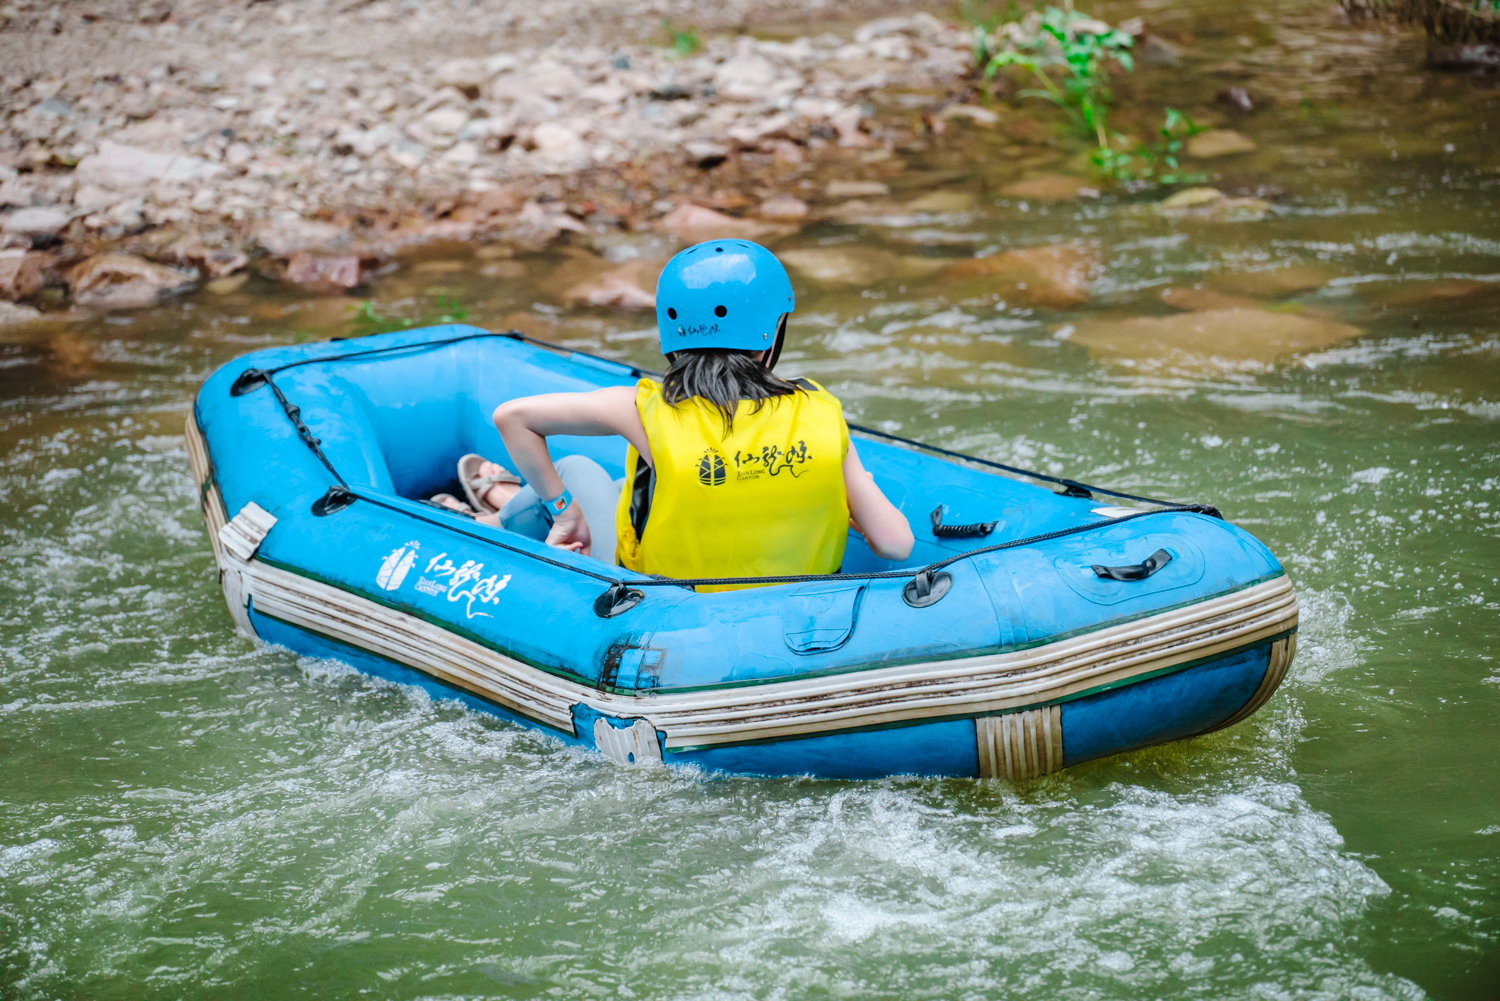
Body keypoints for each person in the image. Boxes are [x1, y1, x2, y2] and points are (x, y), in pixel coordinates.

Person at [445, 238, 914, 585]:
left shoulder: (641, 406)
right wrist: (847, 487)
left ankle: (498, 511)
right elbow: (895, 544)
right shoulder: (819, 411)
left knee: (579, 471)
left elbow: (512, 417)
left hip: (665, 609)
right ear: (774, 330)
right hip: (792, 618)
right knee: (629, 486)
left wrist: (565, 512)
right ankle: (497, 510)